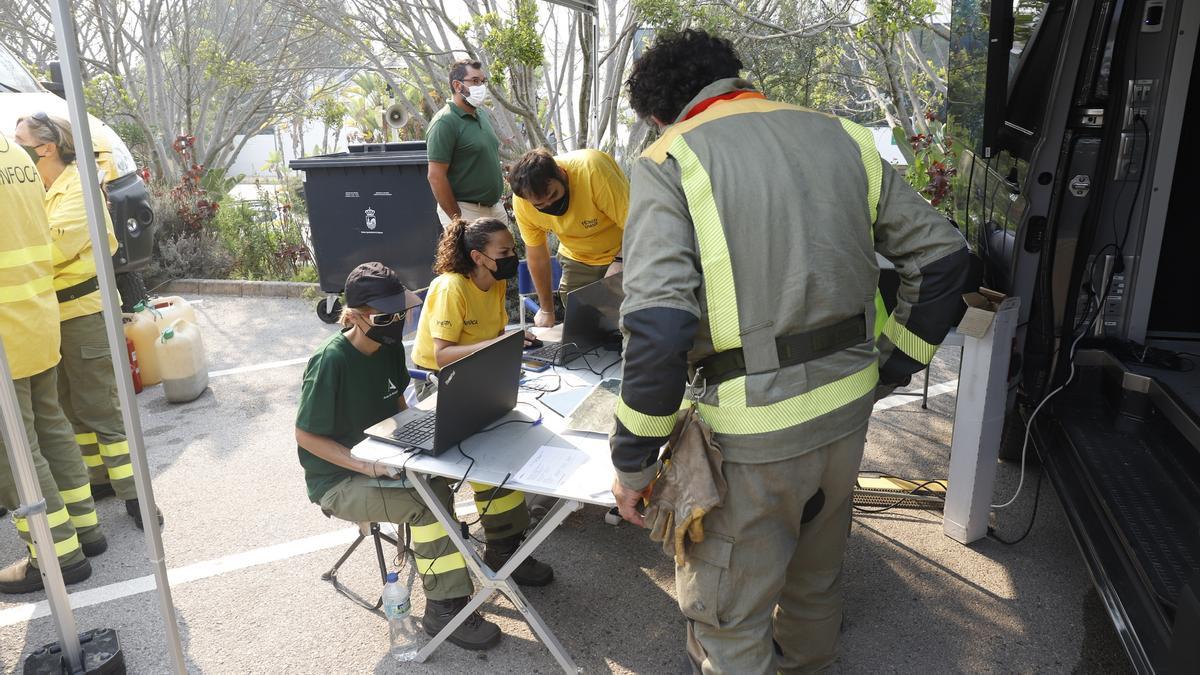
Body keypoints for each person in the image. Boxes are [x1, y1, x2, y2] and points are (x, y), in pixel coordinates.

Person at [610, 30, 970, 673]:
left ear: (660, 113)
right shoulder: (845, 136)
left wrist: (632, 465)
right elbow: (942, 257)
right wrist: (894, 362)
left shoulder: (669, 158)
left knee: (728, 615)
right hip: (847, 411)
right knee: (815, 580)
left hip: (752, 435)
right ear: (731, 76)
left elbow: (661, 328)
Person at [296, 261, 549, 651]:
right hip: (340, 479)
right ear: (358, 316)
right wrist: (366, 465)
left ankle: (506, 552)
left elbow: (398, 405)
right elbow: (306, 435)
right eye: (388, 314)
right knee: (426, 504)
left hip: (390, 454)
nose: (399, 320)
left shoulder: (389, 345)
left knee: (481, 458)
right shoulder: (332, 360)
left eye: (401, 311)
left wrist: (426, 430)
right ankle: (444, 608)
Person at [15, 112, 162, 530]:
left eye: (20, 139)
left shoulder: (79, 188)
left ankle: (138, 498)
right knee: (71, 409)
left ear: (45, 148)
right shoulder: (41, 188)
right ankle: (100, 480)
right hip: (51, 316)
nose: (13, 145)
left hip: (84, 312)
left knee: (101, 408)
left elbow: (55, 247)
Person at [409, 217, 557, 565]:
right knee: (484, 453)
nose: (512, 256)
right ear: (478, 256)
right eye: (504, 251)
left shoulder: (497, 282)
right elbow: (443, 354)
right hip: (439, 380)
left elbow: (493, 337)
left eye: (513, 249)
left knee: (506, 442)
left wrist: (509, 345)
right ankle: (499, 548)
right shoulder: (451, 287)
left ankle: (505, 549)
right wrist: (500, 344)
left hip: (480, 371)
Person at [0, 130, 106, 593]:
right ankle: (86, 530)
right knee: (52, 428)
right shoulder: (14, 152)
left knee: (16, 451)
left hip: (5, 328)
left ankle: (57, 555)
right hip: (37, 317)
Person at [509, 148, 629, 327]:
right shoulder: (522, 203)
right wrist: (547, 310)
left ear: (561, 173)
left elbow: (638, 225)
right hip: (577, 257)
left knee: (631, 313)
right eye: (540, 205)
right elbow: (537, 256)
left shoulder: (593, 170)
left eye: (553, 195)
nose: (550, 205)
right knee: (581, 322)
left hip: (624, 246)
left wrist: (621, 259)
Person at [426, 59, 506, 228]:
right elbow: (435, 176)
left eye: (483, 81)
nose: (481, 86)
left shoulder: (481, 115)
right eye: (475, 81)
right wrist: (458, 220)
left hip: (495, 209)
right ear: (457, 85)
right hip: (467, 211)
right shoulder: (444, 122)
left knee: (503, 255)